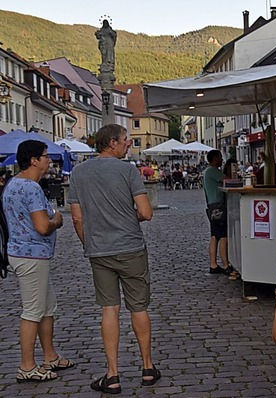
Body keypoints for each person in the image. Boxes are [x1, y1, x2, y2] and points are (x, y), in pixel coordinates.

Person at [68, 124, 160, 394]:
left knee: (109, 309)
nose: (129, 143)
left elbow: (76, 216)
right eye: (125, 140)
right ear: (111, 143)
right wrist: (130, 215)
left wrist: (90, 242)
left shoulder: (78, 172)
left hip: (99, 251)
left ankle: (112, 374)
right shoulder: (127, 171)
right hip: (130, 247)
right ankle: (147, 368)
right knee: (138, 307)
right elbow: (146, 212)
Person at [3, 140, 73, 383]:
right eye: (44, 156)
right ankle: (27, 366)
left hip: (24, 253)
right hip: (31, 254)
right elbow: (43, 226)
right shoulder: (31, 188)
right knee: (33, 310)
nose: (48, 161)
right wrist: (57, 221)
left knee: (46, 307)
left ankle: (50, 356)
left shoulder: (13, 183)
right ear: (33, 160)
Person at [204, 150, 233, 275]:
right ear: (215, 158)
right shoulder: (213, 171)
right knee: (223, 236)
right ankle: (226, 265)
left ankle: (213, 264)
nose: (222, 160)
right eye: (220, 157)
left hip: (212, 205)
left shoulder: (208, 171)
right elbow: (229, 180)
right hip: (218, 206)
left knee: (214, 236)